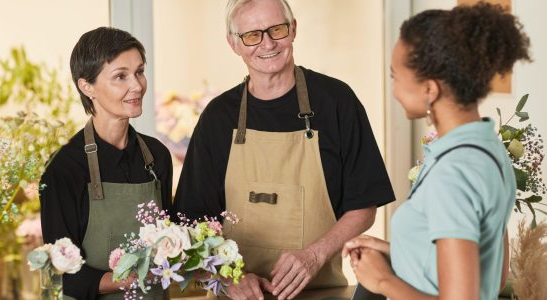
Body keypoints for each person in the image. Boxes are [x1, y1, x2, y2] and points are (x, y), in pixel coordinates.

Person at [173, 0, 395, 299]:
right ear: (233, 43)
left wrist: (315, 255)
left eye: (276, 30)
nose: (267, 43)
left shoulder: (337, 101)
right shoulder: (217, 117)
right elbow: (192, 221)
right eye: (252, 35)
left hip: (322, 292)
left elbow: (364, 206)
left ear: (293, 30)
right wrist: (225, 274)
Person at [343, 3, 531, 300]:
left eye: (395, 76)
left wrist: (382, 281)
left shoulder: (453, 172)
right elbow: (482, 276)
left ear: (429, 90)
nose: (392, 89)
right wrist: (398, 253)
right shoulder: (485, 147)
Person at [40, 27, 172, 299]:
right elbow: (58, 273)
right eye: (120, 76)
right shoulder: (65, 168)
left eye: (139, 71)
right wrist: (130, 279)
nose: (137, 85)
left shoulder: (157, 156)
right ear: (87, 86)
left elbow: (170, 243)